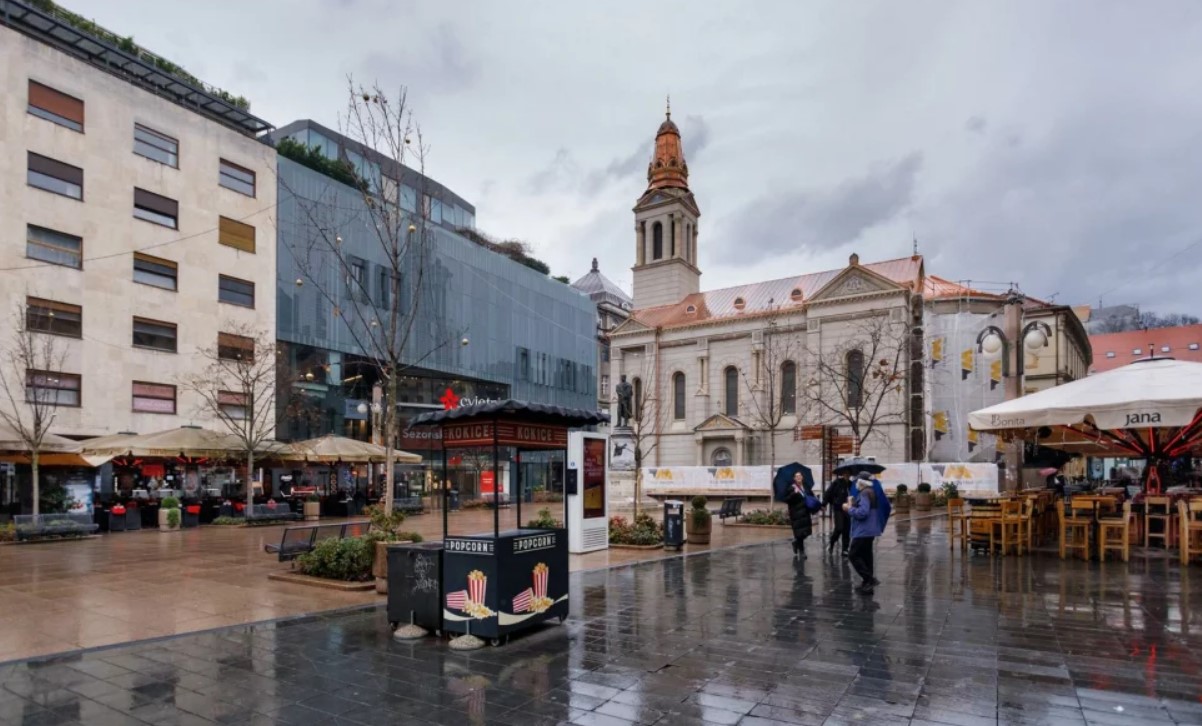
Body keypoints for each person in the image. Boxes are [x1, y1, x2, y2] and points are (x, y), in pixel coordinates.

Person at [844, 472, 883, 594]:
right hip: (870, 530)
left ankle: (869, 579)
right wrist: (853, 502)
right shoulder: (870, 492)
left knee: (853, 555)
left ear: (861, 482)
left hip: (863, 530)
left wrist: (848, 508)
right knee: (866, 555)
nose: (855, 484)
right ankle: (867, 583)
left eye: (856, 481)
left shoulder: (865, 493)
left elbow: (862, 513)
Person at [785, 470, 820, 559]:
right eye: (797, 476)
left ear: (802, 477)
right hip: (796, 514)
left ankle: (795, 542)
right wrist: (794, 493)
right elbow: (787, 499)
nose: (799, 477)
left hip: (805, 512)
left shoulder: (806, 487)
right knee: (799, 533)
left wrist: (819, 505)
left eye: (800, 476)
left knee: (807, 532)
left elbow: (812, 496)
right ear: (794, 478)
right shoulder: (791, 488)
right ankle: (802, 551)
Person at [824, 474, 852, 556]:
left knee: (846, 530)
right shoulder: (837, 482)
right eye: (845, 473)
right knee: (839, 528)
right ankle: (832, 542)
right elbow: (828, 492)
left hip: (848, 509)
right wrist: (824, 504)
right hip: (838, 508)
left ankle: (845, 549)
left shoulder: (851, 484)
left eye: (848, 473)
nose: (847, 475)